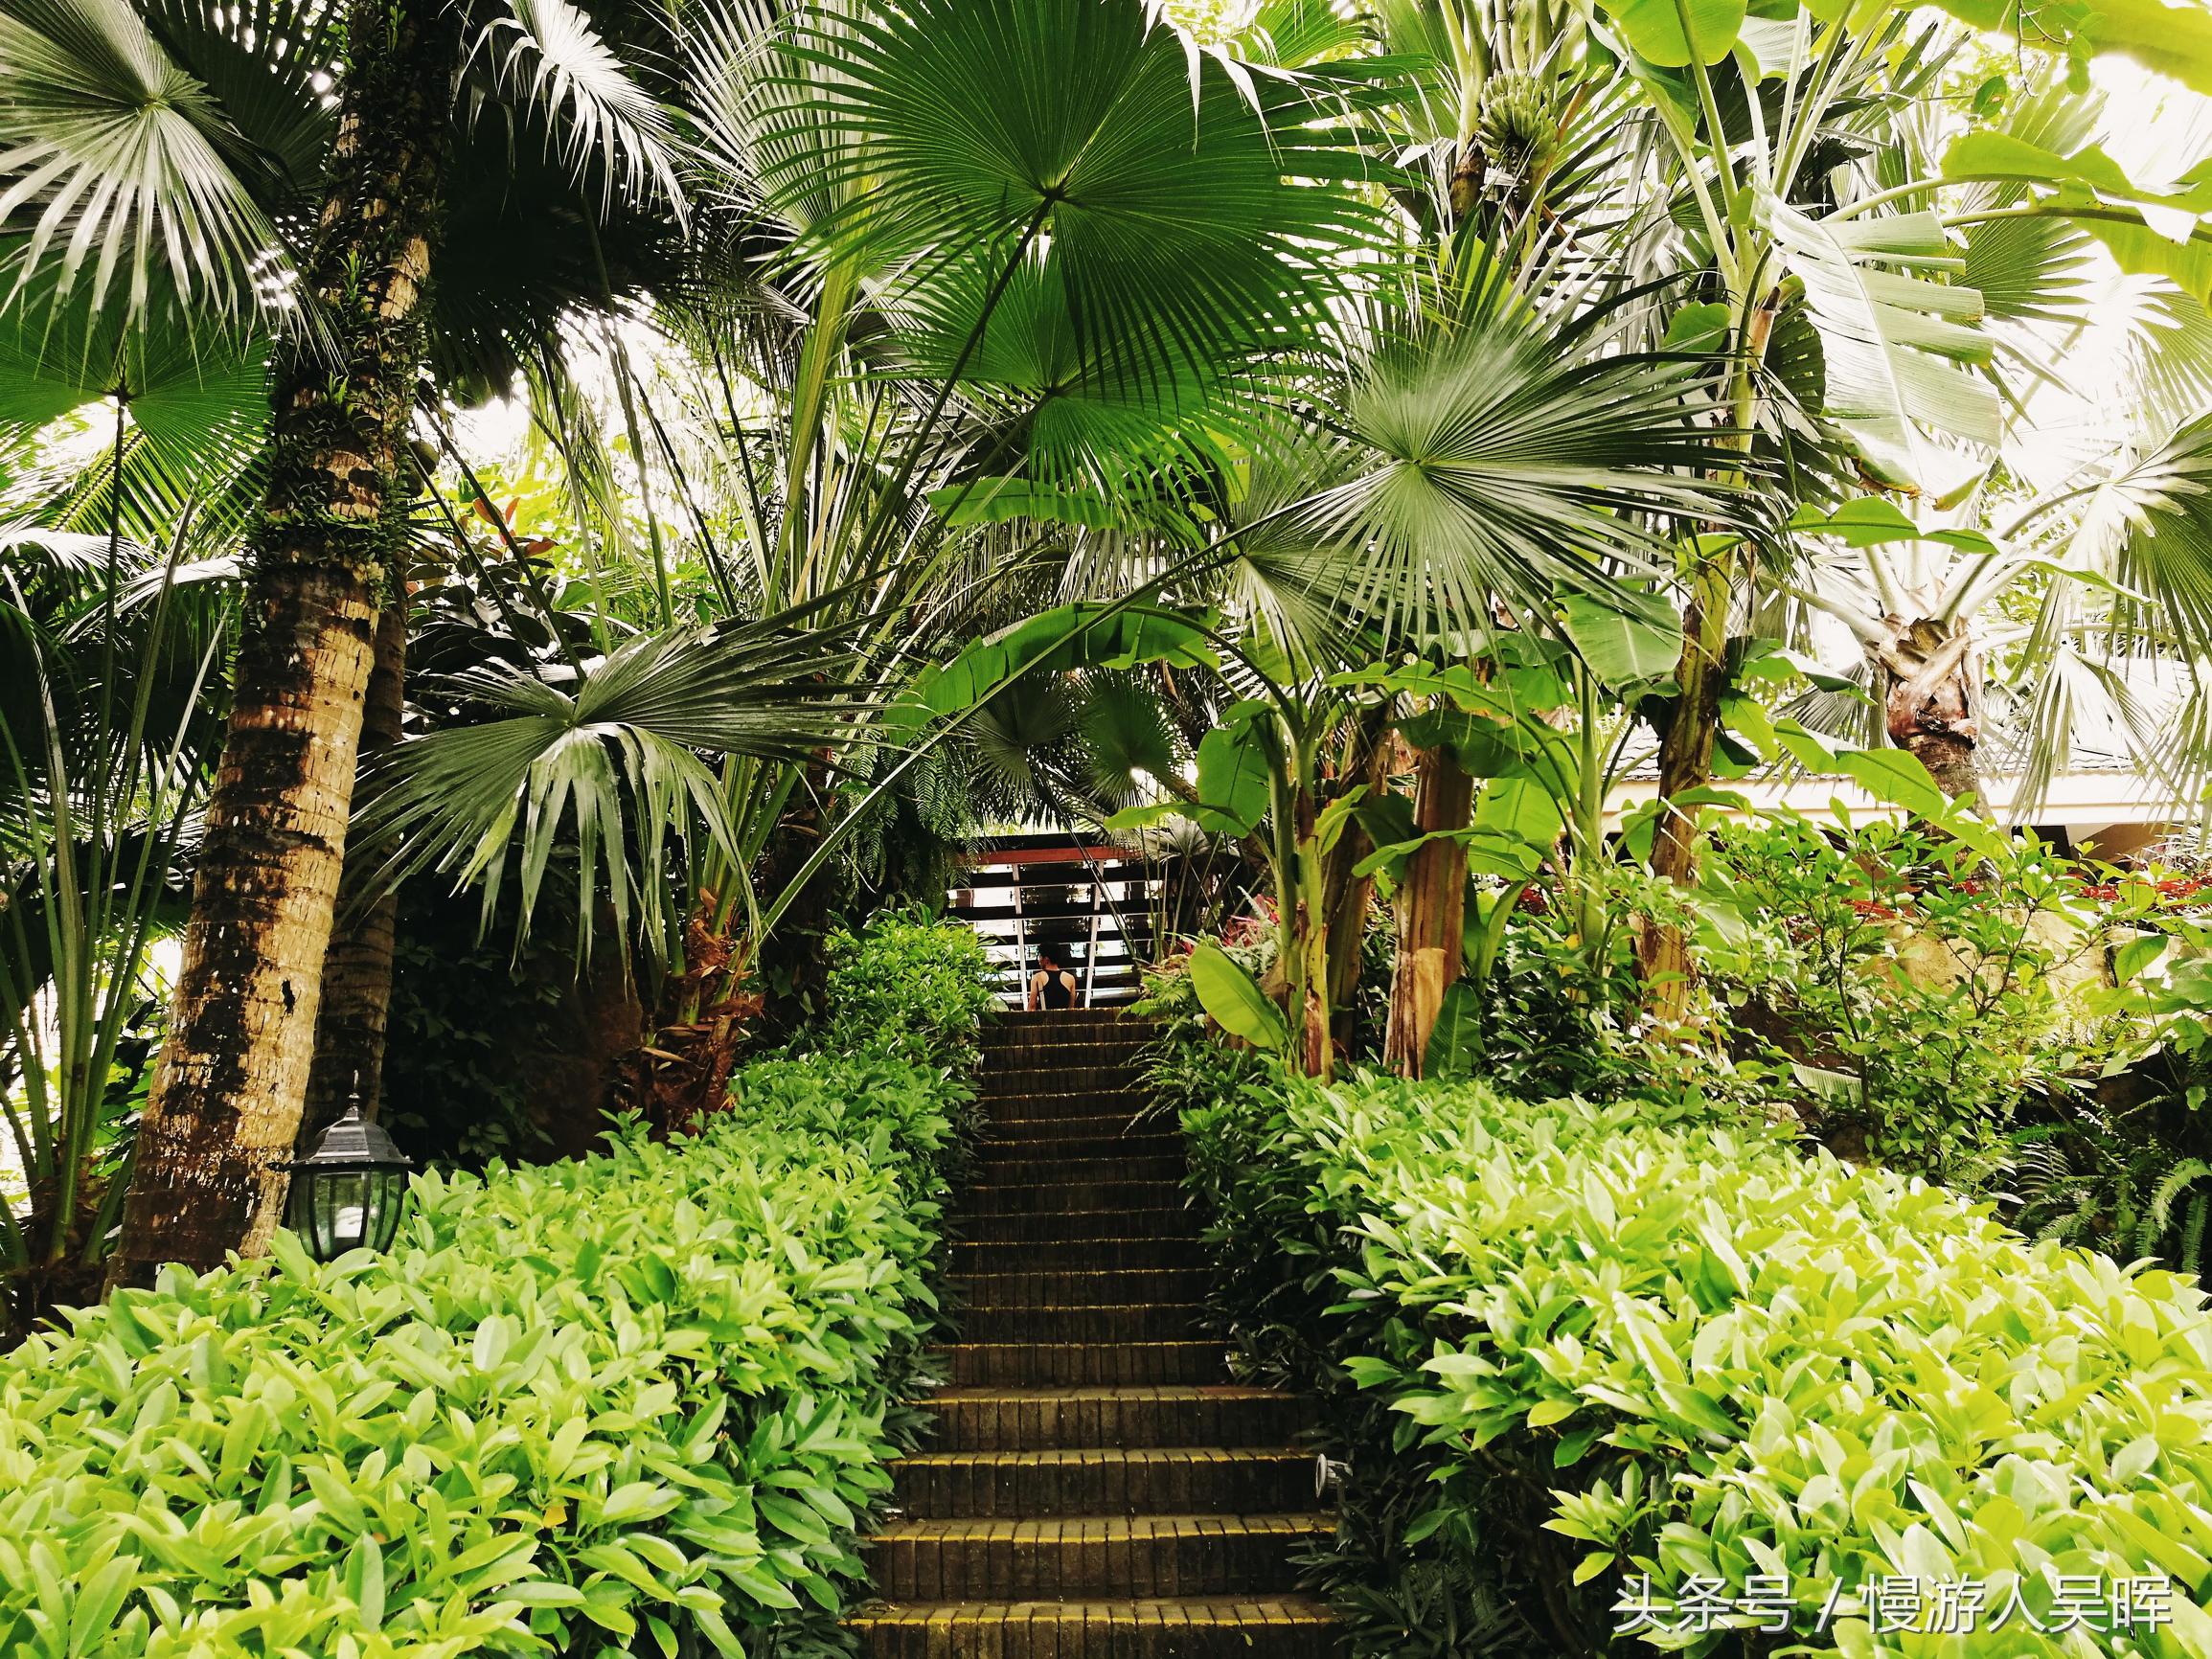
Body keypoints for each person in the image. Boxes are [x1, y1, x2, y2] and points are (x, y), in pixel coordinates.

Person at [1027, 944, 1080, 1011]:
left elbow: (1032, 1006)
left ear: (1046, 959)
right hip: (1063, 1020)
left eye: (1040, 956)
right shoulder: (1070, 978)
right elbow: (1071, 1008)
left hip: (1045, 1020)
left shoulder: (1037, 977)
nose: (1039, 960)